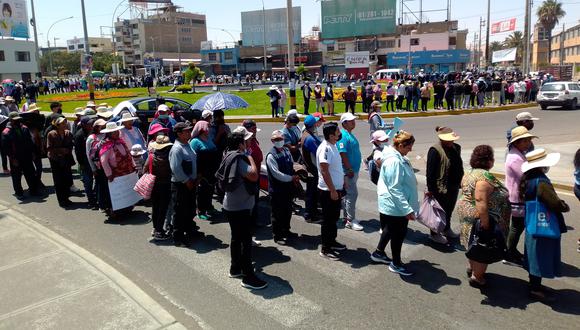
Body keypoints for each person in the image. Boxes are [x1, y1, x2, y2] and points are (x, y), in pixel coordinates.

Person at [215, 128, 267, 290]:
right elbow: (253, 175)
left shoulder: (228, 154)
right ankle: (248, 276)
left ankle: (235, 268)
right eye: (246, 140)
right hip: (240, 207)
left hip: (233, 205)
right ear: (240, 144)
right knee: (245, 242)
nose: (249, 142)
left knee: (236, 239)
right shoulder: (240, 158)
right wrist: (250, 157)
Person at [456, 145, 510, 287]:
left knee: (472, 240)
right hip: (480, 217)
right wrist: (486, 224)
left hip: (467, 214)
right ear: (490, 161)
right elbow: (480, 200)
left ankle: (472, 267)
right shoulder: (484, 178)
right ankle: (477, 276)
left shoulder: (470, 172)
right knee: (483, 245)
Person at [520, 148, 569, 300]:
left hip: (532, 223)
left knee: (533, 255)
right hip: (543, 225)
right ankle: (535, 289)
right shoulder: (541, 182)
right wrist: (564, 206)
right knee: (540, 256)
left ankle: (534, 284)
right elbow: (553, 202)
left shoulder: (528, 178)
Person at [370, 131, 418, 276]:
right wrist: (407, 210)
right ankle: (396, 264)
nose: (411, 149)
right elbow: (395, 188)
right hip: (396, 206)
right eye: (409, 146)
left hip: (395, 205)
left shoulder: (397, 157)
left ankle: (378, 253)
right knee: (398, 234)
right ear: (401, 145)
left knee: (390, 230)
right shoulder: (394, 161)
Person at [504, 127, 538, 264]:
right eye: (526, 140)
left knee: (517, 226)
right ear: (517, 142)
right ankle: (509, 251)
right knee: (517, 226)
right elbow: (526, 176)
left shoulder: (517, 154)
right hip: (517, 197)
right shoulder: (515, 158)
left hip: (518, 196)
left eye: (529, 140)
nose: (529, 143)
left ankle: (510, 250)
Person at [425, 126, 464, 244]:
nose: (451, 141)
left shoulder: (456, 148)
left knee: (449, 209)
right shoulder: (434, 150)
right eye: (448, 139)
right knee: (438, 212)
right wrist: (430, 189)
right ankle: (435, 233)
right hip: (439, 187)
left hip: (453, 185)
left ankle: (446, 229)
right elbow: (430, 172)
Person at [317, 122, 347, 260]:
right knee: (328, 220)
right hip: (328, 191)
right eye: (337, 131)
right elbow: (324, 170)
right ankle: (325, 248)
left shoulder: (332, 145)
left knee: (334, 218)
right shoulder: (325, 149)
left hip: (336, 189)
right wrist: (332, 190)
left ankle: (332, 241)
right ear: (331, 135)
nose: (339, 133)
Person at [169, 122, 201, 247]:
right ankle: (178, 237)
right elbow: (176, 169)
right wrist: (186, 181)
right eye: (186, 131)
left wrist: (196, 176)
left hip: (190, 183)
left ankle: (189, 231)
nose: (189, 133)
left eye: (189, 131)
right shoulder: (177, 149)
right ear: (179, 133)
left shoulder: (187, 144)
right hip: (181, 185)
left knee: (190, 209)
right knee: (180, 211)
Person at [267, 130, 300, 245]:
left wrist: (297, 172)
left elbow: (291, 164)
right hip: (277, 190)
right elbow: (276, 174)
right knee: (277, 213)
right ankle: (278, 235)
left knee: (287, 211)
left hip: (288, 188)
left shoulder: (286, 150)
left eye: (281, 139)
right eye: (276, 140)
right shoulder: (271, 156)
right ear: (272, 141)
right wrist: (291, 178)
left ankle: (286, 230)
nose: (279, 141)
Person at [1, 112, 39, 198]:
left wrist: (32, 153)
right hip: (16, 158)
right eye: (15, 120)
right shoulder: (6, 132)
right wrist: (12, 158)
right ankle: (19, 192)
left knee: (31, 174)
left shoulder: (24, 128)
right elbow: (6, 148)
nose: (17, 121)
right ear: (10, 120)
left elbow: (30, 141)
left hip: (27, 156)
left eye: (18, 119)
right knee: (16, 177)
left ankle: (33, 190)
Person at [337, 113, 363, 231]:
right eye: (350, 121)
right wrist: (349, 169)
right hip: (348, 171)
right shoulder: (342, 135)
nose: (353, 122)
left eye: (353, 120)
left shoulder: (349, 134)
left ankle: (347, 217)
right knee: (352, 194)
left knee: (348, 195)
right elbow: (342, 153)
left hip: (352, 170)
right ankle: (350, 220)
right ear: (344, 123)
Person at [145, 135, 173, 241]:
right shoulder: (169, 157)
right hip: (166, 185)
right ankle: (159, 231)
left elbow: (145, 168)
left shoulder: (151, 156)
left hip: (154, 185)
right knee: (163, 208)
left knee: (155, 207)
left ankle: (155, 228)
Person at [190, 120, 219, 220]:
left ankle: (209, 206)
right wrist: (198, 173)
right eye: (207, 126)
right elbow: (193, 158)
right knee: (202, 191)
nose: (209, 128)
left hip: (212, 170)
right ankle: (200, 210)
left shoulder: (209, 138)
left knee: (210, 189)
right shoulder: (195, 141)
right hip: (202, 171)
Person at [47, 117, 75, 208]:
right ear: (57, 125)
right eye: (62, 123)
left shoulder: (68, 133)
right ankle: (61, 200)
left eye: (65, 123)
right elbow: (49, 148)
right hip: (55, 160)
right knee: (58, 180)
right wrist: (60, 151)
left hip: (66, 159)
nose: (65, 124)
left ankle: (66, 198)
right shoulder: (51, 134)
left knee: (67, 179)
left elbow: (71, 145)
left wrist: (67, 151)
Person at [301, 115, 323, 223]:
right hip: (312, 169)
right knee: (312, 193)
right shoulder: (309, 138)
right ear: (313, 124)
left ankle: (313, 211)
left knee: (313, 192)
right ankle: (310, 215)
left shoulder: (307, 134)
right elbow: (318, 152)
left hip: (312, 168)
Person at [74, 116, 97, 208]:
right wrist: (82, 164)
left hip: (94, 161)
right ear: (83, 125)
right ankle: (91, 200)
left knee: (96, 181)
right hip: (85, 162)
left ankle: (95, 197)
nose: (91, 125)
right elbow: (78, 152)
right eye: (89, 124)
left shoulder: (92, 132)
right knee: (88, 182)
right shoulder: (79, 135)